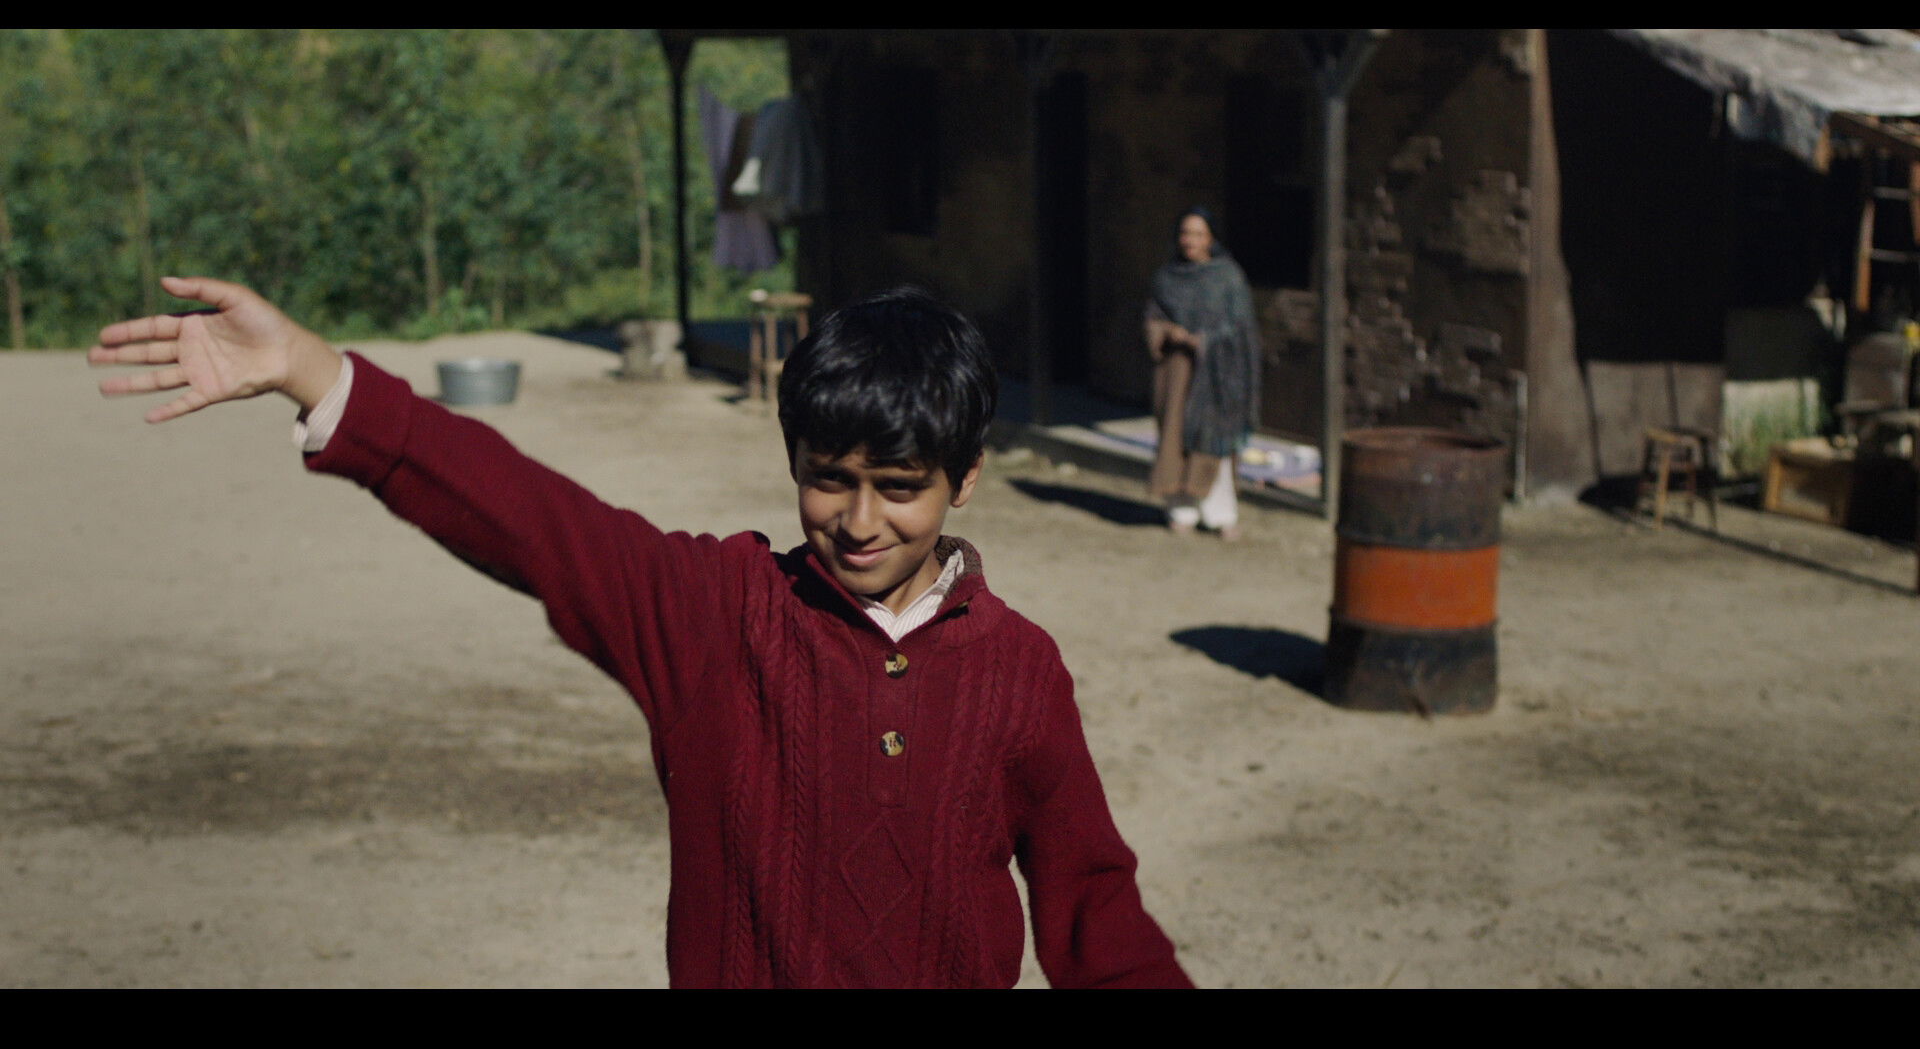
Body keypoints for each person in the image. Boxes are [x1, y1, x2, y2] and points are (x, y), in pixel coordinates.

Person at [89, 276, 1193, 990]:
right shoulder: (716, 613)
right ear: (795, 464)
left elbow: (1092, 900)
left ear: (967, 479)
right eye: (828, 481)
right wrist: (313, 373)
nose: (859, 522)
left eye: (899, 488)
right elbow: (531, 519)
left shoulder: (1020, 670)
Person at [1144, 207, 1260, 540]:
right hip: (1178, 372)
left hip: (1218, 374)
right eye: (1185, 233)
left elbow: (1241, 327)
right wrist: (1168, 331)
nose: (1190, 240)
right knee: (1176, 437)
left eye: (1197, 234)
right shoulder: (1167, 277)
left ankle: (1221, 513)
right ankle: (1181, 509)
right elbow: (1152, 316)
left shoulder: (1227, 277)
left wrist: (1205, 340)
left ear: (1210, 237)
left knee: (1214, 440)